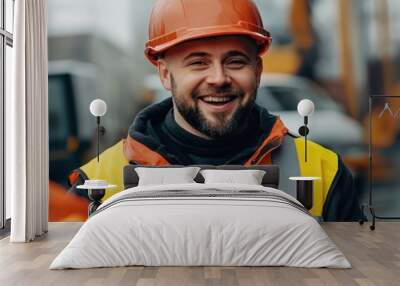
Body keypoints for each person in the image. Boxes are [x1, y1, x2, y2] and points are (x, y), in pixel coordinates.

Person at [67, 0, 362, 221]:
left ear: (257, 71)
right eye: (198, 62)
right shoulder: (96, 182)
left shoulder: (324, 172)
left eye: (235, 61)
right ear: (165, 75)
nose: (219, 78)